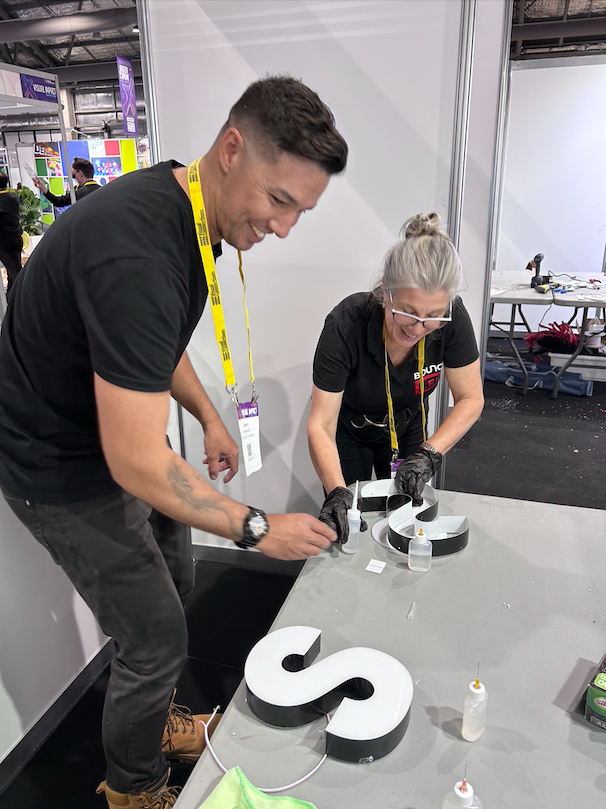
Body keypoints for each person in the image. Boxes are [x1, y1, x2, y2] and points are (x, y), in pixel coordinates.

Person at [0, 76, 347, 808]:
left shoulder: (187, 214)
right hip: (53, 461)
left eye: (301, 211)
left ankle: (152, 721)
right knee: (155, 635)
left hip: (108, 435)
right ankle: (135, 790)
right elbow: (134, 458)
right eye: (279, 199)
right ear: (231, 150)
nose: (284, 227)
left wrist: (209, 416)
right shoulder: (139, 250)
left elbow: (147, 344)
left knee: (176, 579)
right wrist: (259, 527)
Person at [308, 213, 484, 542]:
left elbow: (471, 398)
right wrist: (335, 491)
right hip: (350, 431)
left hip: (408, 425)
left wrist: (430, 453)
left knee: (408, 520)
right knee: (351, 522)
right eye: (406, 312)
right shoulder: (346, 324)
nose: (417, 329)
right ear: (385, 289)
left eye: (433, 317)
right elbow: (320, 424)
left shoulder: (453, 319)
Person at [32, 157, 101, 206]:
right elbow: (59, 201)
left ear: (80, 173)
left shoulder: (80, 192)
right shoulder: (100, 190)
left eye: (74, 174)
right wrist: (42, 188)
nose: (74, 178)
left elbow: (59, 202)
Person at [0, 172, 23, 300]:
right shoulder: (13, 197)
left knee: (16, 272)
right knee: (12, 272)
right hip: (16, 238)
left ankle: (23, 299)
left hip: (4, 241)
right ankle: (10, 299)